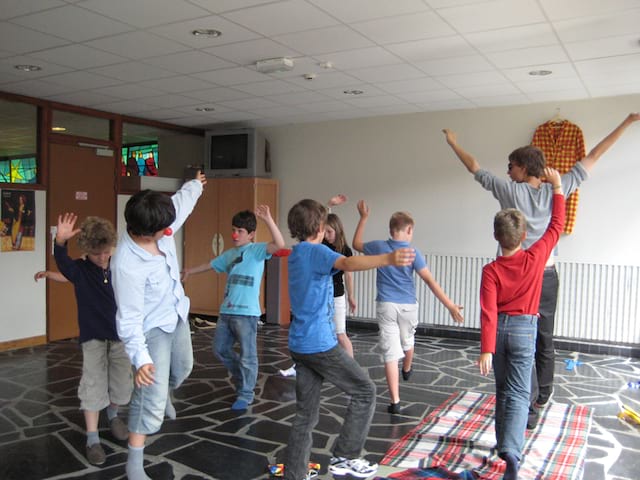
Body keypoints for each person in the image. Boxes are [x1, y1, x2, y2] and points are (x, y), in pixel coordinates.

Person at [443, 112, 640, 426]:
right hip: (546, 275)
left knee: (513, 334)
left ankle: (521, 397)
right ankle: (541, 396)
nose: (508, 172)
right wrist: (627, 122)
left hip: (513, 277)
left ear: (523, 168)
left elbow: (474, 167)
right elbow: (595, 154)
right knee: (543, 338)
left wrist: (454, 143)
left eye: (511, 167)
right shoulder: (558, 187)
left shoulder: (511, 191)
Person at [284, 199, 416, 480]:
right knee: (365, 391)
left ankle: (294, 474)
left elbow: (339, 263)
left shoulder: (297, 253)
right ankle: (346, 457)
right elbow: (347, 262)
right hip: (319, 345)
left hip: (299, 345)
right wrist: (388, 259)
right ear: (320, 227)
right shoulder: (316, 251)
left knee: (305, 415)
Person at [111, 171, 206, 480]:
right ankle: (134, 464)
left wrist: (195, 184)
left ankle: (163, 391)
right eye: (165, 228)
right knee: (148, 394)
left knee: (184, 369)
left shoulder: (159, 227)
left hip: (176, 315)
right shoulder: (126, 263)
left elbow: (182, 203)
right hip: (150, 329)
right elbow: (128, 319)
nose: (170, 230)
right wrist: (141, 361)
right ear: (145, 230)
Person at [478, 167, 565, 480]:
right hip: (524, 331)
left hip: (498, 334)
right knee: (517, 393)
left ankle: (503, 445)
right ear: (524, 236)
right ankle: (511, 453)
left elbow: (488, 312)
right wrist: (556, 187)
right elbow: (557, 225)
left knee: (503, 389)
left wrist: (486, 350)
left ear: (495, 237)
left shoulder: (490, 271)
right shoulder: (536, 256)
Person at [34, 213, 132, 466]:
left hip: (121, 337)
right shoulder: (79, 269)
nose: (102, 258)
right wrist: (60, 241)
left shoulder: (118, 265)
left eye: (106, 252)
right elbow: (63, 263)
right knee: (92, 386)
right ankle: (92, 438)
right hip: (93, 340)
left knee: (121, 386)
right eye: (97, 253)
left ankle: (113, 415)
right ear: (87, 250)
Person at [352, 201, 464, 414]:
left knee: (390, 352)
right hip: (408, 306)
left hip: (386, 305)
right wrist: (449, 305)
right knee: (407, 341)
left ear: (391, 230)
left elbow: (356, 244)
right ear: (409, 230)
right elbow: (430, 281)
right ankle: (408, 367)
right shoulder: (414, 253)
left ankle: (395, 401)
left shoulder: (379, 247)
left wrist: (363, 218)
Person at [182, 205, 285, 411]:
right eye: (234, 229)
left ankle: (246, 393)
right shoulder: (230, 254)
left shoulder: (257, 250)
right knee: (220, 349)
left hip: (246, 314)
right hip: (226, 312)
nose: (234, 234)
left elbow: (280, 244)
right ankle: (242, 377)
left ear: (251, 234)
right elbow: (210, 264)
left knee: (249, 355)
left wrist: (268, 219)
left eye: (239, 231)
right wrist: (189, 271)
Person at [323, 212, 357, 357]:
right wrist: (329, 206)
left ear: (337, 230)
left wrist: (351, 296)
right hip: (322, 294)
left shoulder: (345, 250)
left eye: (329, 232)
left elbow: (349, 275)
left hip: (337, 295)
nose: (326, 235)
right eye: (324, 232)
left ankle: (352, 368)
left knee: (340, 334)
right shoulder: (322, 246)